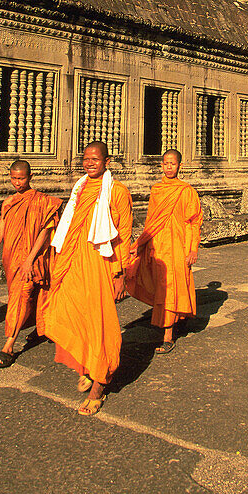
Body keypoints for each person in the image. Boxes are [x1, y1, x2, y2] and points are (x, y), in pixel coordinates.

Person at [43, 141, 133, 416]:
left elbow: (124, 234)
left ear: (107, 161)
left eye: (95, 158)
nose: (90, 162)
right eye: (86, 158)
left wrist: (121, 274)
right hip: (74, 262)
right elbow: (69, 228)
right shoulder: (79, 189)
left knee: (99, 323)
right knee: (71, 313)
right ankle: (87, 364)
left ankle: (99, 385)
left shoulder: (117, 192)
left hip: (101, 266)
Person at [0, 160, 62, 368]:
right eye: (13, 178)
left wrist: (30, 259)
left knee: (22, 295)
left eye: (21, 178)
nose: (17, 182)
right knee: (23, 295)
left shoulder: (43, 202)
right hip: (11, 258)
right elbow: (0, 232)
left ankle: (8, 345)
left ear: (30, 177)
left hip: (33, 257)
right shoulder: (9, 203)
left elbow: (45, 232)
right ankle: (41, 328)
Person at [128, 149, 202, 354]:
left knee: (171, 286)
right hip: (158, 246)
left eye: (173, 164)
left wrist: (192, 249)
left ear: (180, 166)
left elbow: (193, 222)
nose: (169, 167)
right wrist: (140, 244)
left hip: (178, 246)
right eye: (165, 163)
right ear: (161, 165)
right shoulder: (157, 190)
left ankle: (168, 336)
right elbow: (151, 221)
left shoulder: (186, 191)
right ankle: (176, 319)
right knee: (163, 286)